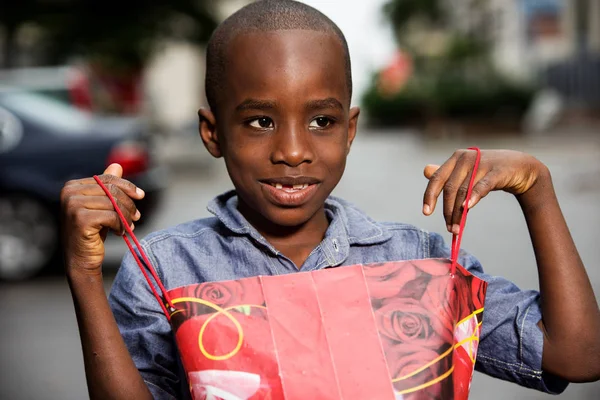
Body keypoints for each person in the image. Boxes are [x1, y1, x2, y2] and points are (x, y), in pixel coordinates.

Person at [60, 1, 600, 399]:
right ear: (213, 132)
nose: (293, 151)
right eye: (259, 121)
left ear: (350, 129)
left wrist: (538, 189)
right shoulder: (165, 269)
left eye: (322, 120)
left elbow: (577, 355)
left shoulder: (421, 264)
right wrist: (85, 276)